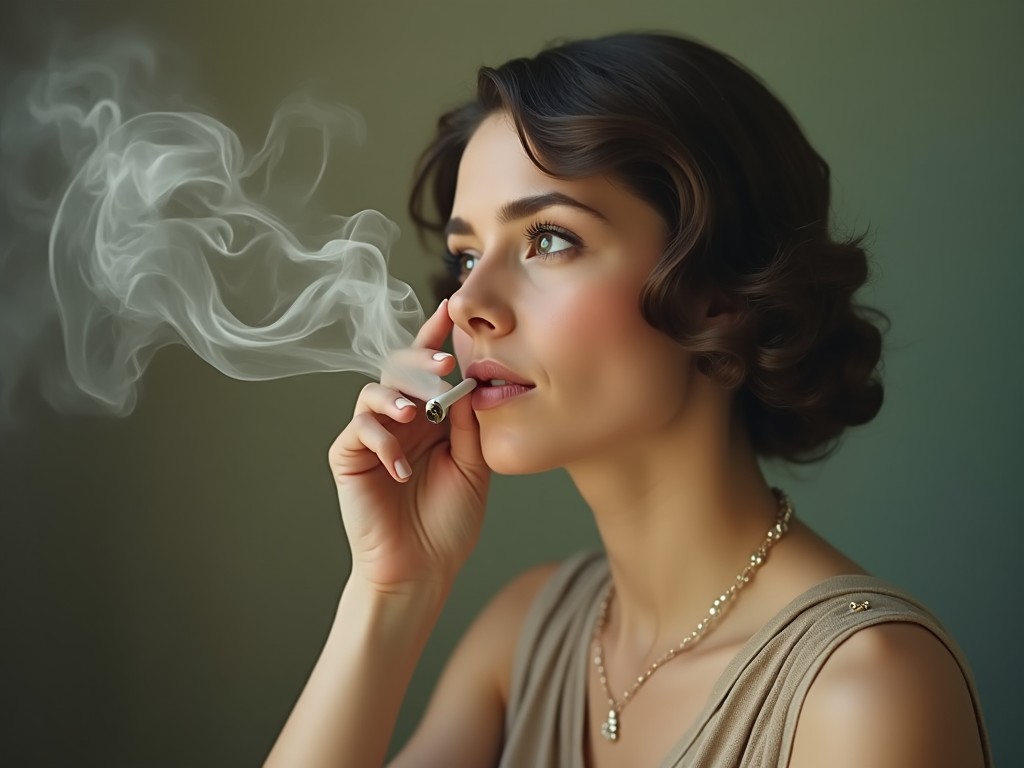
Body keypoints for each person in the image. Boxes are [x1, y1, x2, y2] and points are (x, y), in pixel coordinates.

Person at [265, 33, 990, 767]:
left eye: (548, 239)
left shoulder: (863, 692)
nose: (469, 305)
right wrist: (392, 591)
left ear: (718, 293)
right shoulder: (522, 639)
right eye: (466, 256)